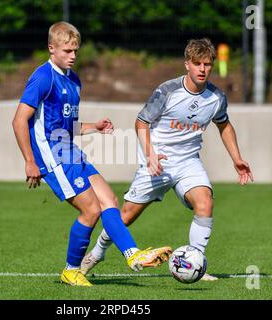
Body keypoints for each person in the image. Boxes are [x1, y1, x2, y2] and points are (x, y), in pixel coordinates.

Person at [12, 21, 172, 287]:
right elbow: (19, 121)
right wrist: (30, 161)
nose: (73, 55)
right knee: (91, 209)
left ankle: (133, 255)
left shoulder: (74, 81)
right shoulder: (42, 77)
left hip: (70, 150)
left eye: (76, 50)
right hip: (52, 155)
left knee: (109, 199)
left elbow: (67, 126)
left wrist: (94, 127)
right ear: (51, 48)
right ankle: (71, 270)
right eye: (67, 50)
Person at [81, 38, 254, 281]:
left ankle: (195, 262)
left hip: (188, 162)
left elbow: (224, 125)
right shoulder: (167, 91)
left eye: (207, 64)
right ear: (187, 64)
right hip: (157, 161)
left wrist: (236, 158)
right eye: (197, 64)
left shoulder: (216, 97)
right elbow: (141, 122)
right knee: (126, 217)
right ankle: (96, 254)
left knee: (205, 203)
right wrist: (150, 154)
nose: (203, 69)